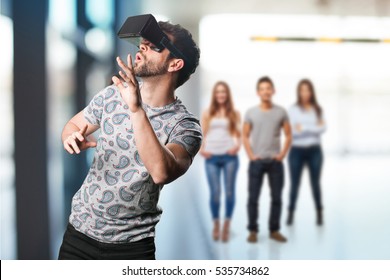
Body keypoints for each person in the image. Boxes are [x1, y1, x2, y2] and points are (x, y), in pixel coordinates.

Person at [58, 21, 202, 260]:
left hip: (132, 247)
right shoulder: (112, 95)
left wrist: (136, 110)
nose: (142, 48)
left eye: (153, 46)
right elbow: (73, 124)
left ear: (175, 63)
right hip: (78, 234)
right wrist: (71, 137)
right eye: (142, 44)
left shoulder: (185, 126)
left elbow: (161, 172)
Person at [243, 76, 292, 243]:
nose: (266, 91)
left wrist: (282, 154)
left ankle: (274, 230)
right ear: (258, 92)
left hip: (275, 162)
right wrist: (251, 155)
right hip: (256, 162)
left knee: (277, 198)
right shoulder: (251, 112)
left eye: (268, 88)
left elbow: (289, 134)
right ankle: (253, 231)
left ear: (273, 91)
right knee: (253, 198)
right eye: (262, 89)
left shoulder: (281, 112)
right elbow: (244, 135)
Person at [200, 81, 241, 242]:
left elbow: (239, 134)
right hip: (212, 157)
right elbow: (202, 133)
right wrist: (202, 150)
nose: (221, 95)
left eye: (223, 92)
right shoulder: (207, 112)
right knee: (216, 193)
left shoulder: (234, 113)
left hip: (230, 156)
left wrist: (237, 146)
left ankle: (227, 225)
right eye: (218, 92)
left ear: (227, 94)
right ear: (214, 95)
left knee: (229, 192)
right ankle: (216, 223)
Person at [286, 79, 326, 226]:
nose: (305, 93)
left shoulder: (318, 109)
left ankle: (319, 212)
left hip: (315, 150)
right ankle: (290, 213)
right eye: (302, 90)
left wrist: (304, 128)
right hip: (296, 150)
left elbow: (323, 128)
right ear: (298, 92)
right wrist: (313, 127)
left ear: (312, 92)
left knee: (315, 183)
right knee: (294, 184)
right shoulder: (293, 109)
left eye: (307, 90)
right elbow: (293, 132)